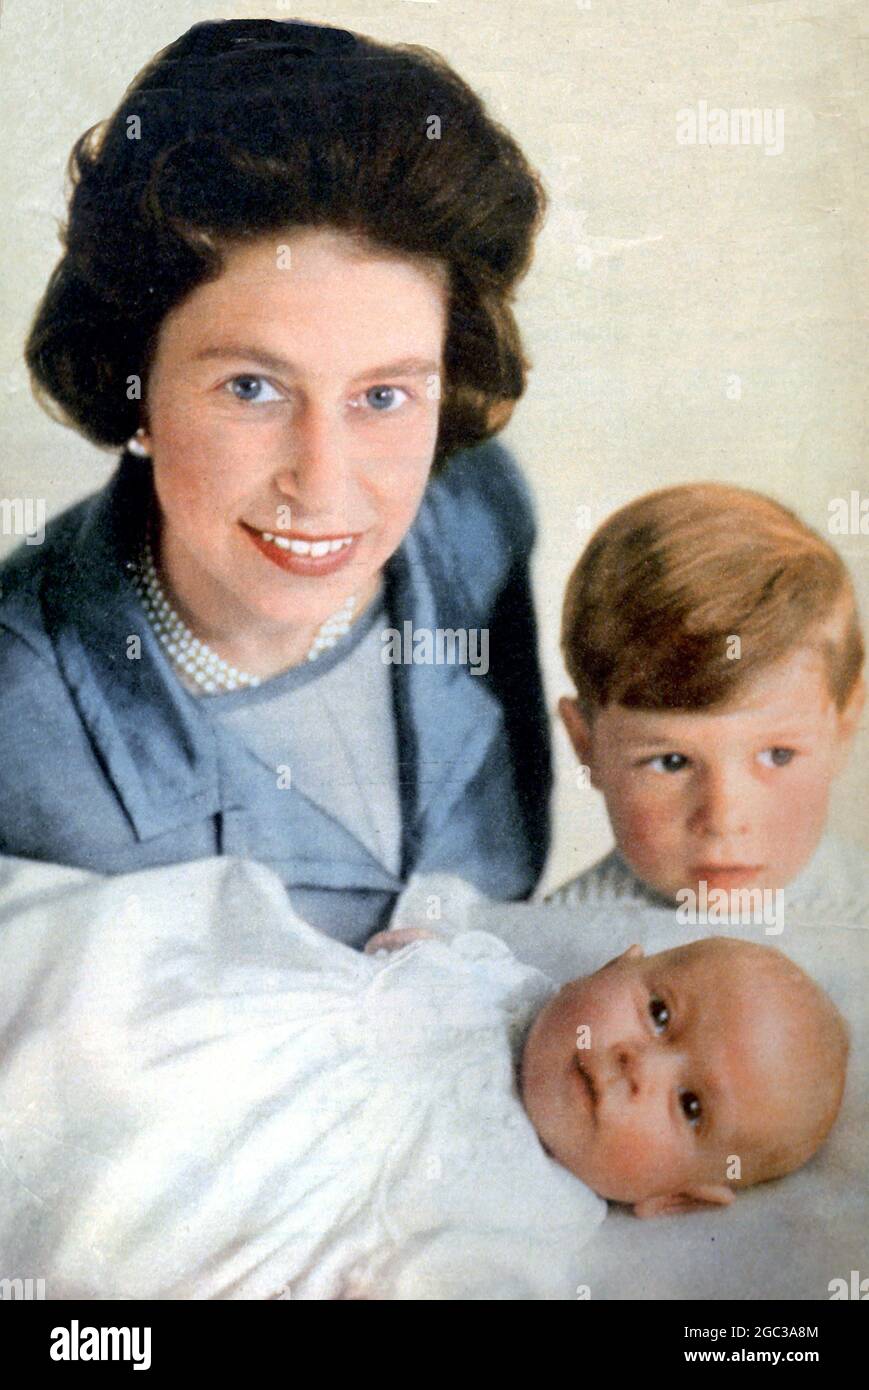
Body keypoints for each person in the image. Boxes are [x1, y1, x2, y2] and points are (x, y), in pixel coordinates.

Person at [0, 18, 552, 945]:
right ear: (132, 378)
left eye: (382, 395)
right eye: (252, 388)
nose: (323, 482)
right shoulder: (21, 722)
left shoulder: (477, 514)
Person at [0, 857, 848, 1300]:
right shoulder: (506, 979)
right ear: (621, 959)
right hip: (215, 1020)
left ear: (670, 1199)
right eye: (658, 1014)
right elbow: (412, 951)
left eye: (688, 1104)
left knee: (84, 1182)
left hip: (232, 1171)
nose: (636, 1062)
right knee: (88, 966)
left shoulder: (524, 1216)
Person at [549, 483, 867, 915]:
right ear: (585, 743)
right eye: (671, 762)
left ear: (844, 727)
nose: (722, 820)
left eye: (777, 755)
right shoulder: (552, 945)